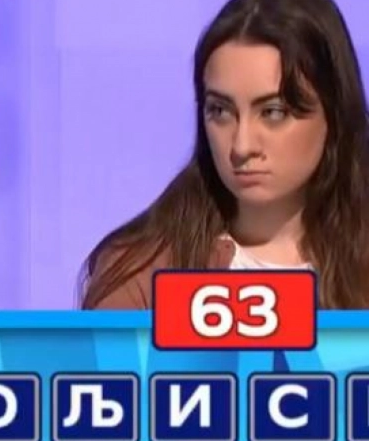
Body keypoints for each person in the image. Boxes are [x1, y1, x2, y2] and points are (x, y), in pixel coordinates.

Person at [80, 0, 369, 310]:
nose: (242, 146)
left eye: (273, 112)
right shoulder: (141, 273)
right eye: (220, 111)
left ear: (334, 115)